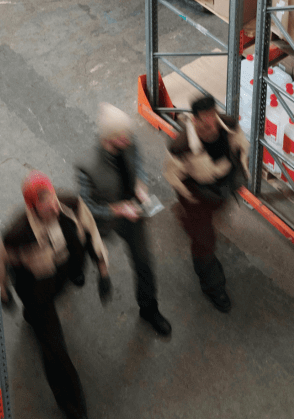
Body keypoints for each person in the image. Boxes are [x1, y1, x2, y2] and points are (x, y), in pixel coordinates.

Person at [0, 172, 112, 419]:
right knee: (55, 353)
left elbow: (91, 231)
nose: (53, 207)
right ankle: (73, 406)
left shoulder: (69, 204)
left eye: (52, 200)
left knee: (75, 245)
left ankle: (33, 316)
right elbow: (2, 260)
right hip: (37, 290)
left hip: (63, 274)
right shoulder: (18, 234)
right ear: (32, 207)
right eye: (45, 205)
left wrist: (103, 270)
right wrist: (3, 290)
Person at [77, 103, 172, 336]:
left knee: (144, 263)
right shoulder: (87, 165)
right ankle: (76, 267)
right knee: (86, 246)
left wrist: (140, 185)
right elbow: (87, 206)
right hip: (103, 220)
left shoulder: (128, 141)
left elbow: (137, 164)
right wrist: (117, 210)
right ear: (108, 139)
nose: (128, 140)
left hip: (132, 215)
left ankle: (149, 309)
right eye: (121, 137)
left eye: (127, 135)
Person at [163, 95, 249, 313]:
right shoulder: (181, 145)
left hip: (220, 190)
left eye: (213, 114)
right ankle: (213, 287)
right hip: (196, 192)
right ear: (194, 120)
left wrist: (241, 165)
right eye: (205, 118)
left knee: (213, 214)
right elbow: (172, 174)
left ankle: (189, 219)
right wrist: (187, 199)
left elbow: (239, 141)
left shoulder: (226, 124)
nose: (212, 122)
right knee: (204, 241)